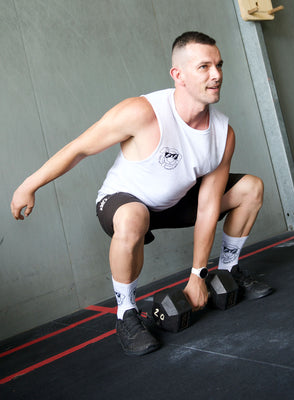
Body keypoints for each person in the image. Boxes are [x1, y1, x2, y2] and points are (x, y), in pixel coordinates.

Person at [11, 31, 273, 357]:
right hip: (125, 202)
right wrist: (29, 185)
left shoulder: (223, 133)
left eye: (219, 65)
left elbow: (207, 206)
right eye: (204, 67)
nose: (217, 75)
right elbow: (79, 148)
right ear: (178, 75)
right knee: (134, 217)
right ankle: (126, 313)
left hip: (178, 202)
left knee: (251, 188)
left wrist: (197, 275)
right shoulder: (142, 112)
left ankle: (229, 269)